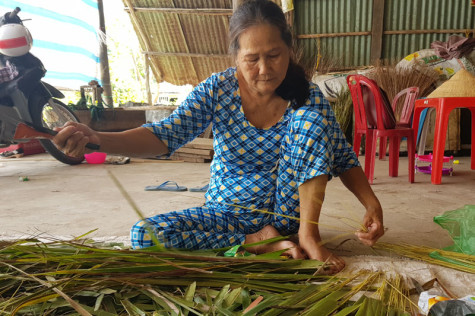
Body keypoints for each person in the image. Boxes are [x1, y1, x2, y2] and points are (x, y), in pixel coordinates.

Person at [53, 0, 384, 273]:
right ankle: (256, 243)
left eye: (274, 55)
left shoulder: (307, 95)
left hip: (288, 216)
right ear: (235, 57)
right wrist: (97, 137)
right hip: (227, 214)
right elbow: (164, 135)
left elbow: (341, 156)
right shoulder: (217, 90)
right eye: (251, 59)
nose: (264, 69)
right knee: (145, 235)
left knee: (310, 123)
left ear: (289, 49)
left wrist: (372, 204)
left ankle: (307, 237)